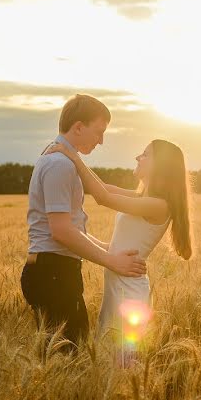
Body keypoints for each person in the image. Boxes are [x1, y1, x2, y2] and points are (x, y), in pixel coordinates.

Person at [45, 138, 193, 358]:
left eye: (145, 154)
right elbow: (102, 188)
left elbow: (103, 197)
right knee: (108, 359)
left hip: (129, 292)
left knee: (123, 363)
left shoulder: (158, 205)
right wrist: (77, 235)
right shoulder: (143, 198)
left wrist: (73, 157)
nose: (138, 157)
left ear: (160, 165)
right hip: (117, 287)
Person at [21, 94, 146, 351]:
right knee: (68, 357)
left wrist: (107, 248)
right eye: (99, 132)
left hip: (51, 271)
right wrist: (111, 260)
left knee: (62, 358)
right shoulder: (60, 165)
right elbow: (62, 232)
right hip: (53, 273)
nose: (101, 141)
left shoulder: (60, 160)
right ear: (78, 127)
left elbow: (71, 228)